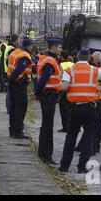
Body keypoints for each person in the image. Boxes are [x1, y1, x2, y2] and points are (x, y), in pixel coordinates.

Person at [58, 47, 101, 173]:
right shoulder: (95, 70)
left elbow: (64, 87)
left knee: (71, 137)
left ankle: (64, 166)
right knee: (89, 137)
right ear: (89, 58)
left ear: (78, 57)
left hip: (75, 108)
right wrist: (99, 89)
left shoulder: (69, 70)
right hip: (91, 107)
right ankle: (82, 167)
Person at [33, 36, 63, 166]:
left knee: (46, 125)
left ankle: (43, 153)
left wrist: (38, 93)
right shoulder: (50, 62)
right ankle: (46, 155)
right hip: (49, 96)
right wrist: (37, 93)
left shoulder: (45, 58)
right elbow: (43, 80)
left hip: (47, 95)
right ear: (54, 47)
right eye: (60, 47)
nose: (61, 49)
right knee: (47, 126)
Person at [75, 51, 101, 154]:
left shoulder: (99, 70)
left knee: (94, 126)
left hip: (96, 100)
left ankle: (93, 147)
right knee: (92, 125)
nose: (91, 60)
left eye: (93, 58)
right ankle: (87, 146)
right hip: (95, 99)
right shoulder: (96, 69)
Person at [7, 36, 34, 139]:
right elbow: (17, 71)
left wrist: (9, 82)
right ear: (28, 46)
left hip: (14, 83)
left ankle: (12, 130)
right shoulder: (25, 57)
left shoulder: (15, 52)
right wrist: (12, 82)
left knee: (14, 108)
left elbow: (9, 65)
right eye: (31, 45)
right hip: (18, 84)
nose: (32, 47)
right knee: (21, 107)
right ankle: (18, 131)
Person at [58, 51, 74, 133]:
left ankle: (65, 127)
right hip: (72, 89)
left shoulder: (62, 65)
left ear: (62, 57)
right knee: (71, 109)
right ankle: (71, 126)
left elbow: (60, 77)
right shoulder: (73, 65)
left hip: (64, 88)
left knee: (63, 109)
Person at [4, 34, 20, 113]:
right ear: (15, 40)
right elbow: (11, 61)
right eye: (18, 40)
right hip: (10, 72)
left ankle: (9, 107)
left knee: (9, 90)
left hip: (6, 71)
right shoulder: (12, 49)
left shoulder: (8, 47)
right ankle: (10, 108)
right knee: (10, 91)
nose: (19, 41)